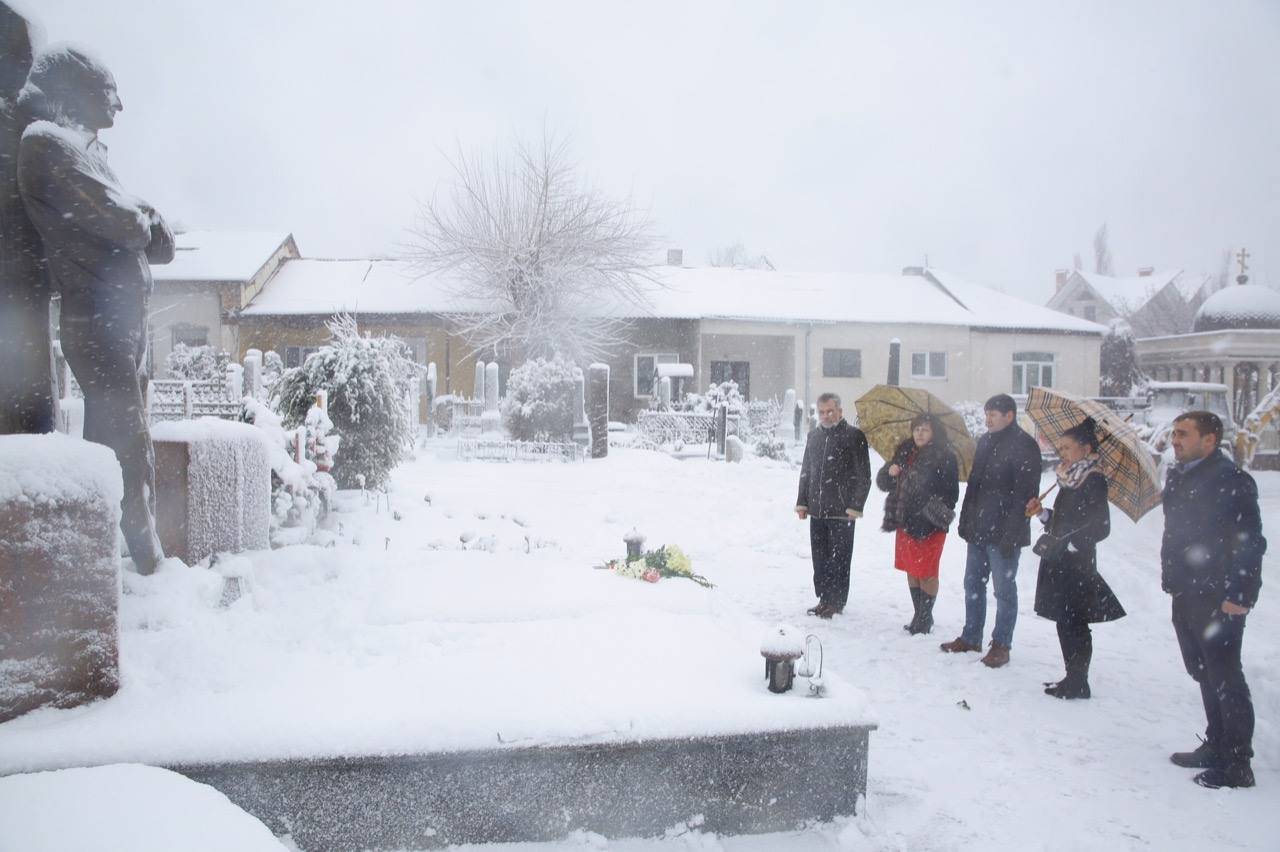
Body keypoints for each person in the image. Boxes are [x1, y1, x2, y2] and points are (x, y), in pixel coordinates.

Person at [17, 46, 175, 574]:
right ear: (75, 90)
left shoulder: (90, 154)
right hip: (96, 317)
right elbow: (127, 224)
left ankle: (107, 550)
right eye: (108, 92)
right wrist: (140, 214)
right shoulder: (46, 145)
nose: (119, 105)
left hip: (124, 319)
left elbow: (161, 244)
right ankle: (144, 562)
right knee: (125, 441)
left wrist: (139, 218)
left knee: (124, 438)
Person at [1162, 411, 1266, 789]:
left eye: (1183, 434)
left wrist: (1240, 594)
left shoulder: (1231, 480)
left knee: (1225, 675)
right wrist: (1172, 578)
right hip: (1186, 590)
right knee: (1202, 670)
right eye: (1174, 433)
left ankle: (1238, 763)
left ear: (1209, 440)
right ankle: (1216, 743)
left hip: (1219, 594)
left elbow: (1250, 541)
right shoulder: (1179, 475)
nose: (1175, 440)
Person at [1025, 418, 1124, 699]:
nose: (1063, 453)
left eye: (1068, 448)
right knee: (1064, 620)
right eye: (1061, 448)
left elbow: (1101, 527)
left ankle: (1079, 681)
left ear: (1086, 448)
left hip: (1076, 563)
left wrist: (1070, 543)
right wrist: (1042, 513)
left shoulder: (1093, 480)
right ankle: (1072, 677)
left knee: (1074, 621)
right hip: (1060, 559)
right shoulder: (1071, 478)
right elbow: (1061, 521)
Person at [941, 393, 1040, 667]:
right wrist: (966, 519)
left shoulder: (1025, 446)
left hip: (1005, 533)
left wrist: (1011, 534)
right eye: (986, 414)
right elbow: (974, 483)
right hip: (979, 527)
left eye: (992, 415)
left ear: (1009, 416)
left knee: (1004, 591)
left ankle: (1001, 644)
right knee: (973, 584)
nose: (987, 420)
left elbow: (1025, 495)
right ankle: (971, 636)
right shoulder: (985, 441)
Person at [0, 2, 57, 434]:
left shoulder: (27, 119)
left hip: (22, 273)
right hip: (22, 272)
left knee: (27, 395)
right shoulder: (30, 119)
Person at [875, 413, 959, 635]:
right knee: (912, 568)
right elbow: (884, 483)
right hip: (906, 520)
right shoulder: (905, 452)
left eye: (925, 429)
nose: (919, 434)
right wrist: (890, 472)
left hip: (930, 522)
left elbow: (951, 495)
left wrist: (926, 502)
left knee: (927, 571)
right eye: (916, 429)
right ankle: (918, 614)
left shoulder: (944, 456)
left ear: (934, 432)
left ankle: (925, 617)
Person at [795, 392, 871, 618]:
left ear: (840, 411)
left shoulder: (854, 436)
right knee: (820, 559)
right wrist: (802, 502)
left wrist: (855, 506)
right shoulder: (814, 436)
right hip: (817, 509)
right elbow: (806, 471)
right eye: (822, 412)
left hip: (842, 511)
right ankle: (824, 598)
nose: (826, 416)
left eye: (830, 411)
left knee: (839, 559)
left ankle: (836, 602)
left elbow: (863, 475)